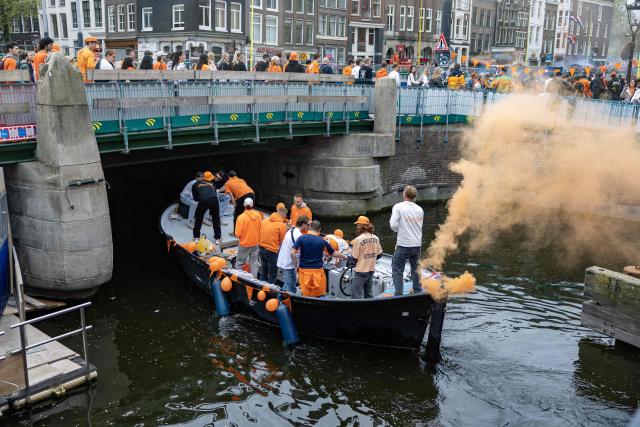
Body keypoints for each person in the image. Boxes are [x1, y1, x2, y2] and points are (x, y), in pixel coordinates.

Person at [291, 220, 347, 297]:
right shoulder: (321, 241)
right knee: (318, 293)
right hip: (318, 272)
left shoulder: (301, 238)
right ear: (320, 229)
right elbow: (334, 253)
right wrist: (344, 256)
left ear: (310, 227)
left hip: (304, 271)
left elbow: (292, 252)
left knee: (306, 294)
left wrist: (296, 265)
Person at [390, 185, 424, 296]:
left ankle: (398, 295)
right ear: (414, 196)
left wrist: (399, 229)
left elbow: (393, 225)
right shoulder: (420, 209)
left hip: (403, 244)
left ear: (404, 194)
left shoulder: (398, 207)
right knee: (416, 269)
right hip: (416, 245)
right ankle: (418, 291)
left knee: (397, 270)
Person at [350, 216, 383, 299]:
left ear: (361, 226)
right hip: (371, 271)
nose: (357, 227)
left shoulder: (358, 239)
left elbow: (354, 258)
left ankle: (356, 311)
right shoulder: (376, 238)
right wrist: (370, 259)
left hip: (361, 272)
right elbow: (379, 254)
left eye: (358, 225)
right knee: (368, 294)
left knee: (356, 295)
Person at [277, 215, 308, 293]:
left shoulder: (292, 230)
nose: (309, 226)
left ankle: (280, 298)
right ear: (303, 224)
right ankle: (282, 302)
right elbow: (293, 253)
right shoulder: (299, 236)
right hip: (288, 265)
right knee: (291, 289)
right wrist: (296, 266)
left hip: (282, 261)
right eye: (308, 224)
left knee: (287, 285)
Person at [259, 203, 287, 283]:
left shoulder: (265, 220)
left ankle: (260, 289)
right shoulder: (281, 225)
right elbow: (282, 241)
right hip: (272, 252)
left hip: (261, 249)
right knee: (272, 275)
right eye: (285, 216)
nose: (285, 218)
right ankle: (270, 293)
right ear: (283, 214)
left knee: (263, 273)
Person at [235, 198, 262, 278]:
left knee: (240, 263)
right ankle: (254, 279)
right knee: (254, 263)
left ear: (244, 205)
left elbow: (238, 234)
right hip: (255, 243)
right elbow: (261, 228)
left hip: (244, 244)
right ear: (252, 205)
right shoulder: (258, 216)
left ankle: (240, 278)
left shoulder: (241, 217)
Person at [192, 171, 222, 245]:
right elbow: (214, 193)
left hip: (203, 200)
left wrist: (203, 199)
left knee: (199, 218)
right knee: (216, 218)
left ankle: (196, 237)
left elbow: (195, 199)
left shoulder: (195, 184)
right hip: (214, 200)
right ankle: (218, 238)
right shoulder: (213, 184)